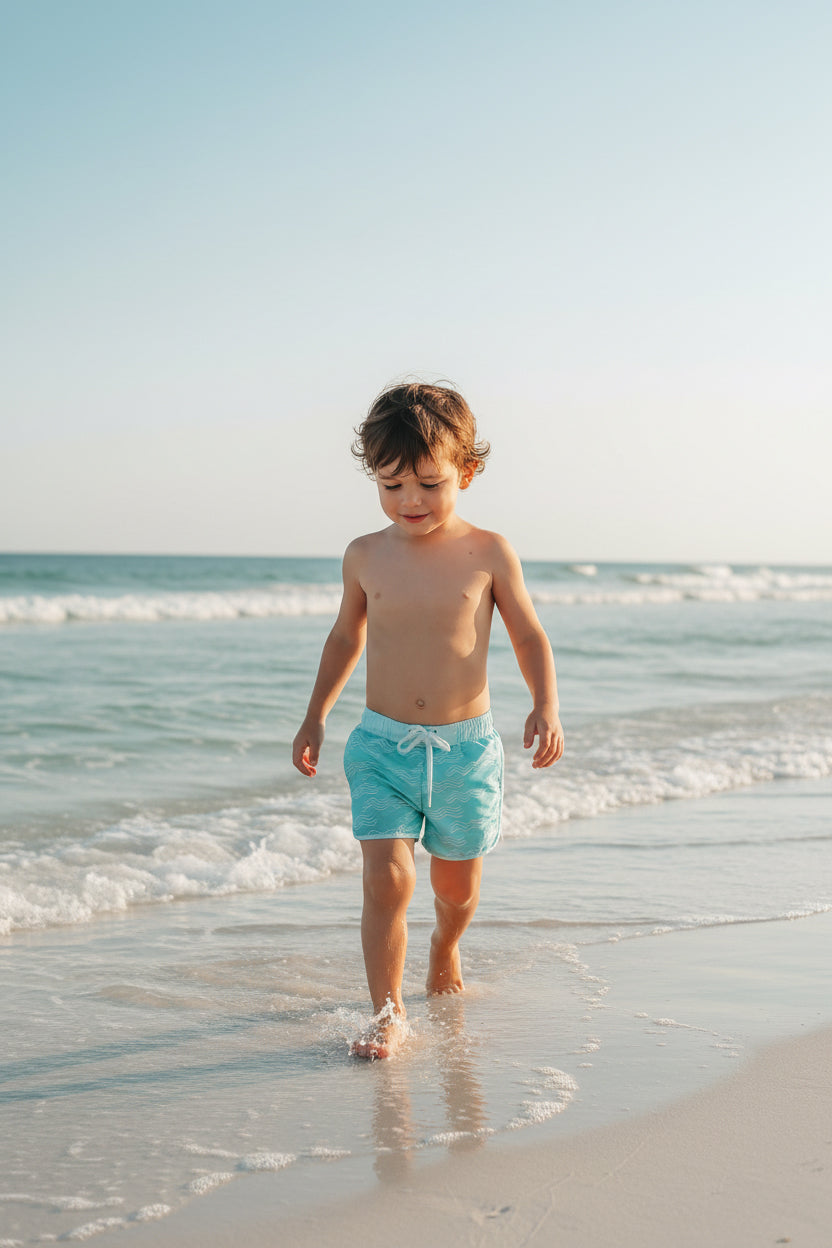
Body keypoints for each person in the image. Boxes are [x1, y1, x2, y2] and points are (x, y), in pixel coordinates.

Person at [292, 381, 564, 1059]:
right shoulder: (364, 555)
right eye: (391, 485)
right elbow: (345, 637)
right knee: (387, 880)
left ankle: (445, 946)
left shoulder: (490, 552)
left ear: (466, 472)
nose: (409, 500)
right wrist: (315, 717)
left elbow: (528, 634)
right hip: (381, 747)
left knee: (456, 887)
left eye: (428, 484)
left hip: (465, 752)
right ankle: (387, 1013)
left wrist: (545, 703)